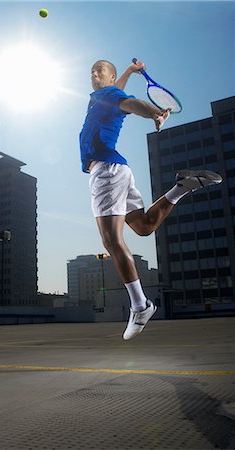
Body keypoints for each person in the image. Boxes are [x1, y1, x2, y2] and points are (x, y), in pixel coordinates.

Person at [79, 59, 222, 340]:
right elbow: (121, 94)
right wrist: (131, 72)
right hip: (118, 171)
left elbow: (133, 103)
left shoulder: (107, 96)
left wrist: (155, 113)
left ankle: (140, 305)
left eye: (99, 70)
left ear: (109, 76)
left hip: (106, 173)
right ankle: (181, 188)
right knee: (144, 227)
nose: (93, 74)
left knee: (112, 241)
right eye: (91, 71)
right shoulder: (104, 98)